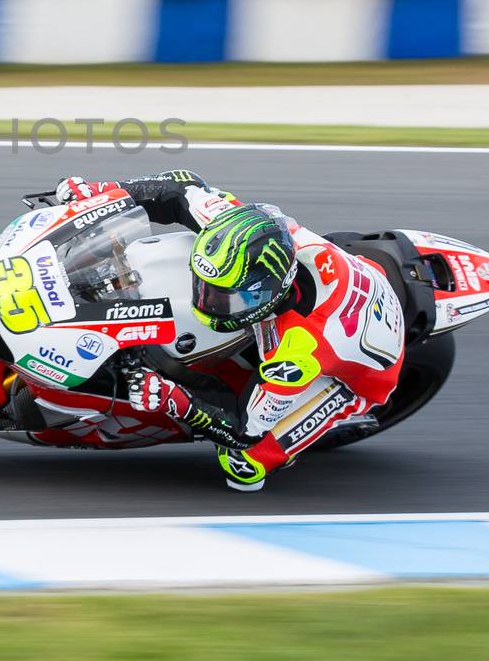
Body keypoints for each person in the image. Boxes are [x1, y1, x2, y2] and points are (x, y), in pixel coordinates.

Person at [52, 171, 406, 491]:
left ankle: (317, 427)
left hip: (359, 372)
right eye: (207, 287)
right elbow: (182, 187)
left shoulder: (299, 351)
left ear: (272, 290)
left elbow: (243, 427)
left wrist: (177, 401)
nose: (207, 300)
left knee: (243, 466)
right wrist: (104, 194)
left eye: (225, 297)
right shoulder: (243, 226)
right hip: (354, 274)